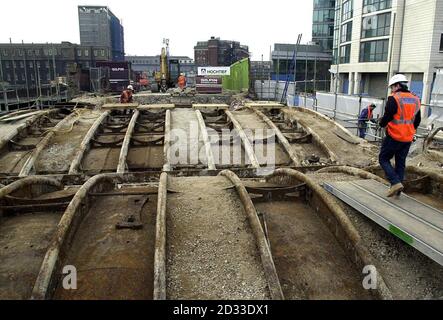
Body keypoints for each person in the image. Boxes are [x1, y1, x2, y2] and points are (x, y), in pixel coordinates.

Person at [378, 74, 421, 197]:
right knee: (400, 162)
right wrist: (409, 130)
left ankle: (395, 182)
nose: (391, 89)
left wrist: (381, 123)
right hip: (407, 137)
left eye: (392, 87)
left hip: (394, 136)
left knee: (383, 158)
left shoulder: (394, 98)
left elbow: (388, 116)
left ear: (397, 85)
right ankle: (398, 191)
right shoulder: (416, 99)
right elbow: (417, 121)